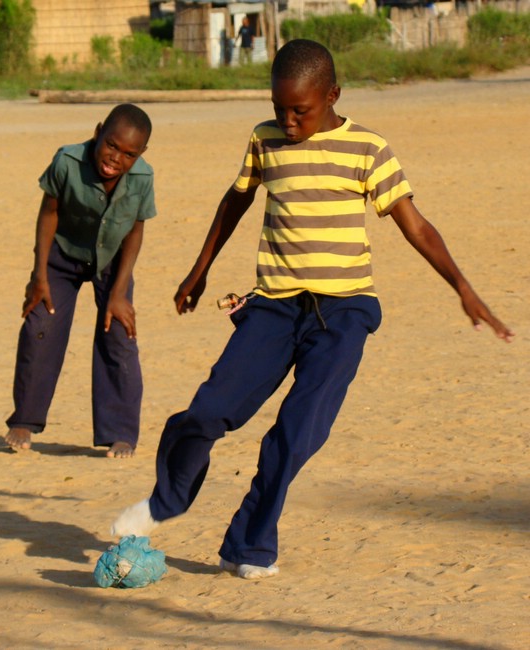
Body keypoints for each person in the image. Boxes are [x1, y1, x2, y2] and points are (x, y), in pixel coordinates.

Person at [112, 39, 513, 579]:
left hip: (344, 313)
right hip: (274, 307)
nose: (288, 120)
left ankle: (250, 546)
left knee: (296, 434)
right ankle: (168, 500)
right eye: (280, 107)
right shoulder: (265, 138)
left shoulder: (368, 148)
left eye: (300, 109)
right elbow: (237, 199)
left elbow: (414, 223)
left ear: (332, 95)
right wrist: (200, 268)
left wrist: (462, 286)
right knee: (208, 411)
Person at [4, 104, 156, 459]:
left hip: (112, 260)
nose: (115, 158)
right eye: (111, 145)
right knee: (39, 326)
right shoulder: (67, 161)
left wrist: (119, 292)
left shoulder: (142, 178)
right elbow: (49, 213)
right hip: (63, 254)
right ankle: (25, 419)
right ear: (98, 131)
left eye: (129, 154)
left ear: (141, 155)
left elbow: (135, 231)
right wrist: (39, 275)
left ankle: (119, 432)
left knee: (118, 334)